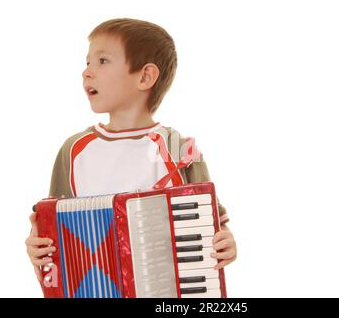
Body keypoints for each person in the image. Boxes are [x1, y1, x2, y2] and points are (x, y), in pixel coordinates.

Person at [25, 18, 237, 286]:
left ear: (145, 77)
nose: (87, 72)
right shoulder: (73, 151)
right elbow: (51, 234)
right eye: (87, 62)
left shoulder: (179, 148)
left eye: (102, 61)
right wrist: (37, 248)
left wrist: (226, 243)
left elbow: (215, 226)